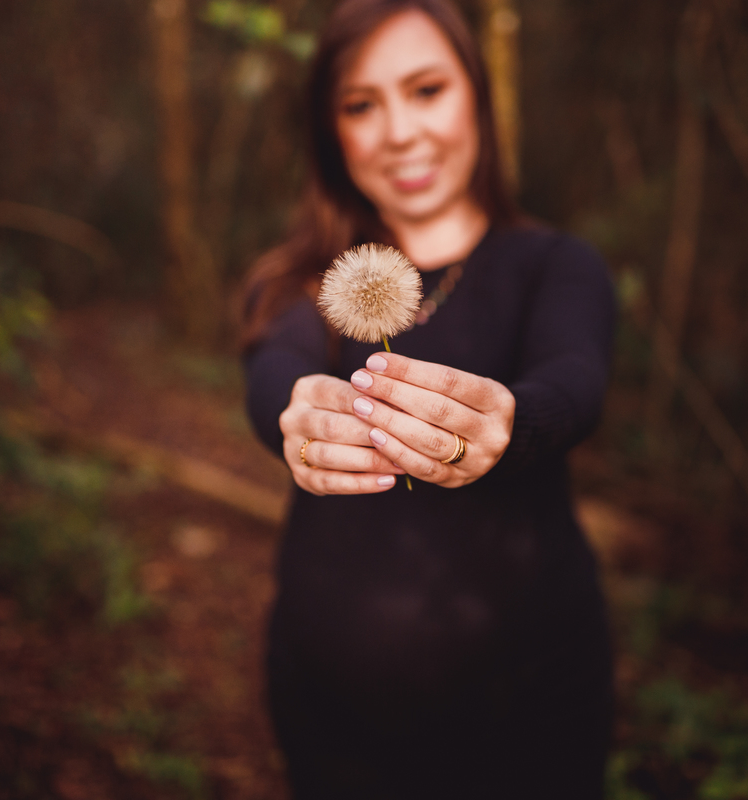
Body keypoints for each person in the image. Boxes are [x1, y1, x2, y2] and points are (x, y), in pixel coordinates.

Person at [242, 1, 616, 797]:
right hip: (331, 725)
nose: (400, 132)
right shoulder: (301, 281)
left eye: (426, 89)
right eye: (360, 104)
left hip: (531, 722)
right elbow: (277, 367)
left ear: (477, 95)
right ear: (330, 130)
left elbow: (576, 378)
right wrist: (295, 416)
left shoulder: (557, 266)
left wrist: (514, 424)